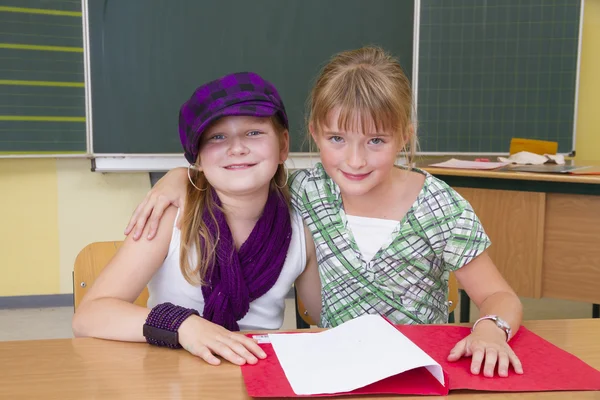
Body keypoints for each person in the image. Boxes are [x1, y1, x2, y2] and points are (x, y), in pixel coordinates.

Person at [124, 47, 524, 378]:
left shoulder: (441, 208)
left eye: (376, 140)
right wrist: (180, 176)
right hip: (338, 369)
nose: (354, 160)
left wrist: (492, 328)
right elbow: (238, 180)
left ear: (404, 135)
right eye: (337, 138)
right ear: (313, 133)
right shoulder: (307, 191)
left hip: (419, 368)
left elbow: (498, 295)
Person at [72, 72, 321, 367]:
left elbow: (326, 315)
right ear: (197, 158)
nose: (237, 148)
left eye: (253, 132)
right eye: (217, 137)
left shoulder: (301, 228)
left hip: (258, 371)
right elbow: (88, 317)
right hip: (171, 372)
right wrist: (183, 325)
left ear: (282, 145)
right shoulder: (171, 217)